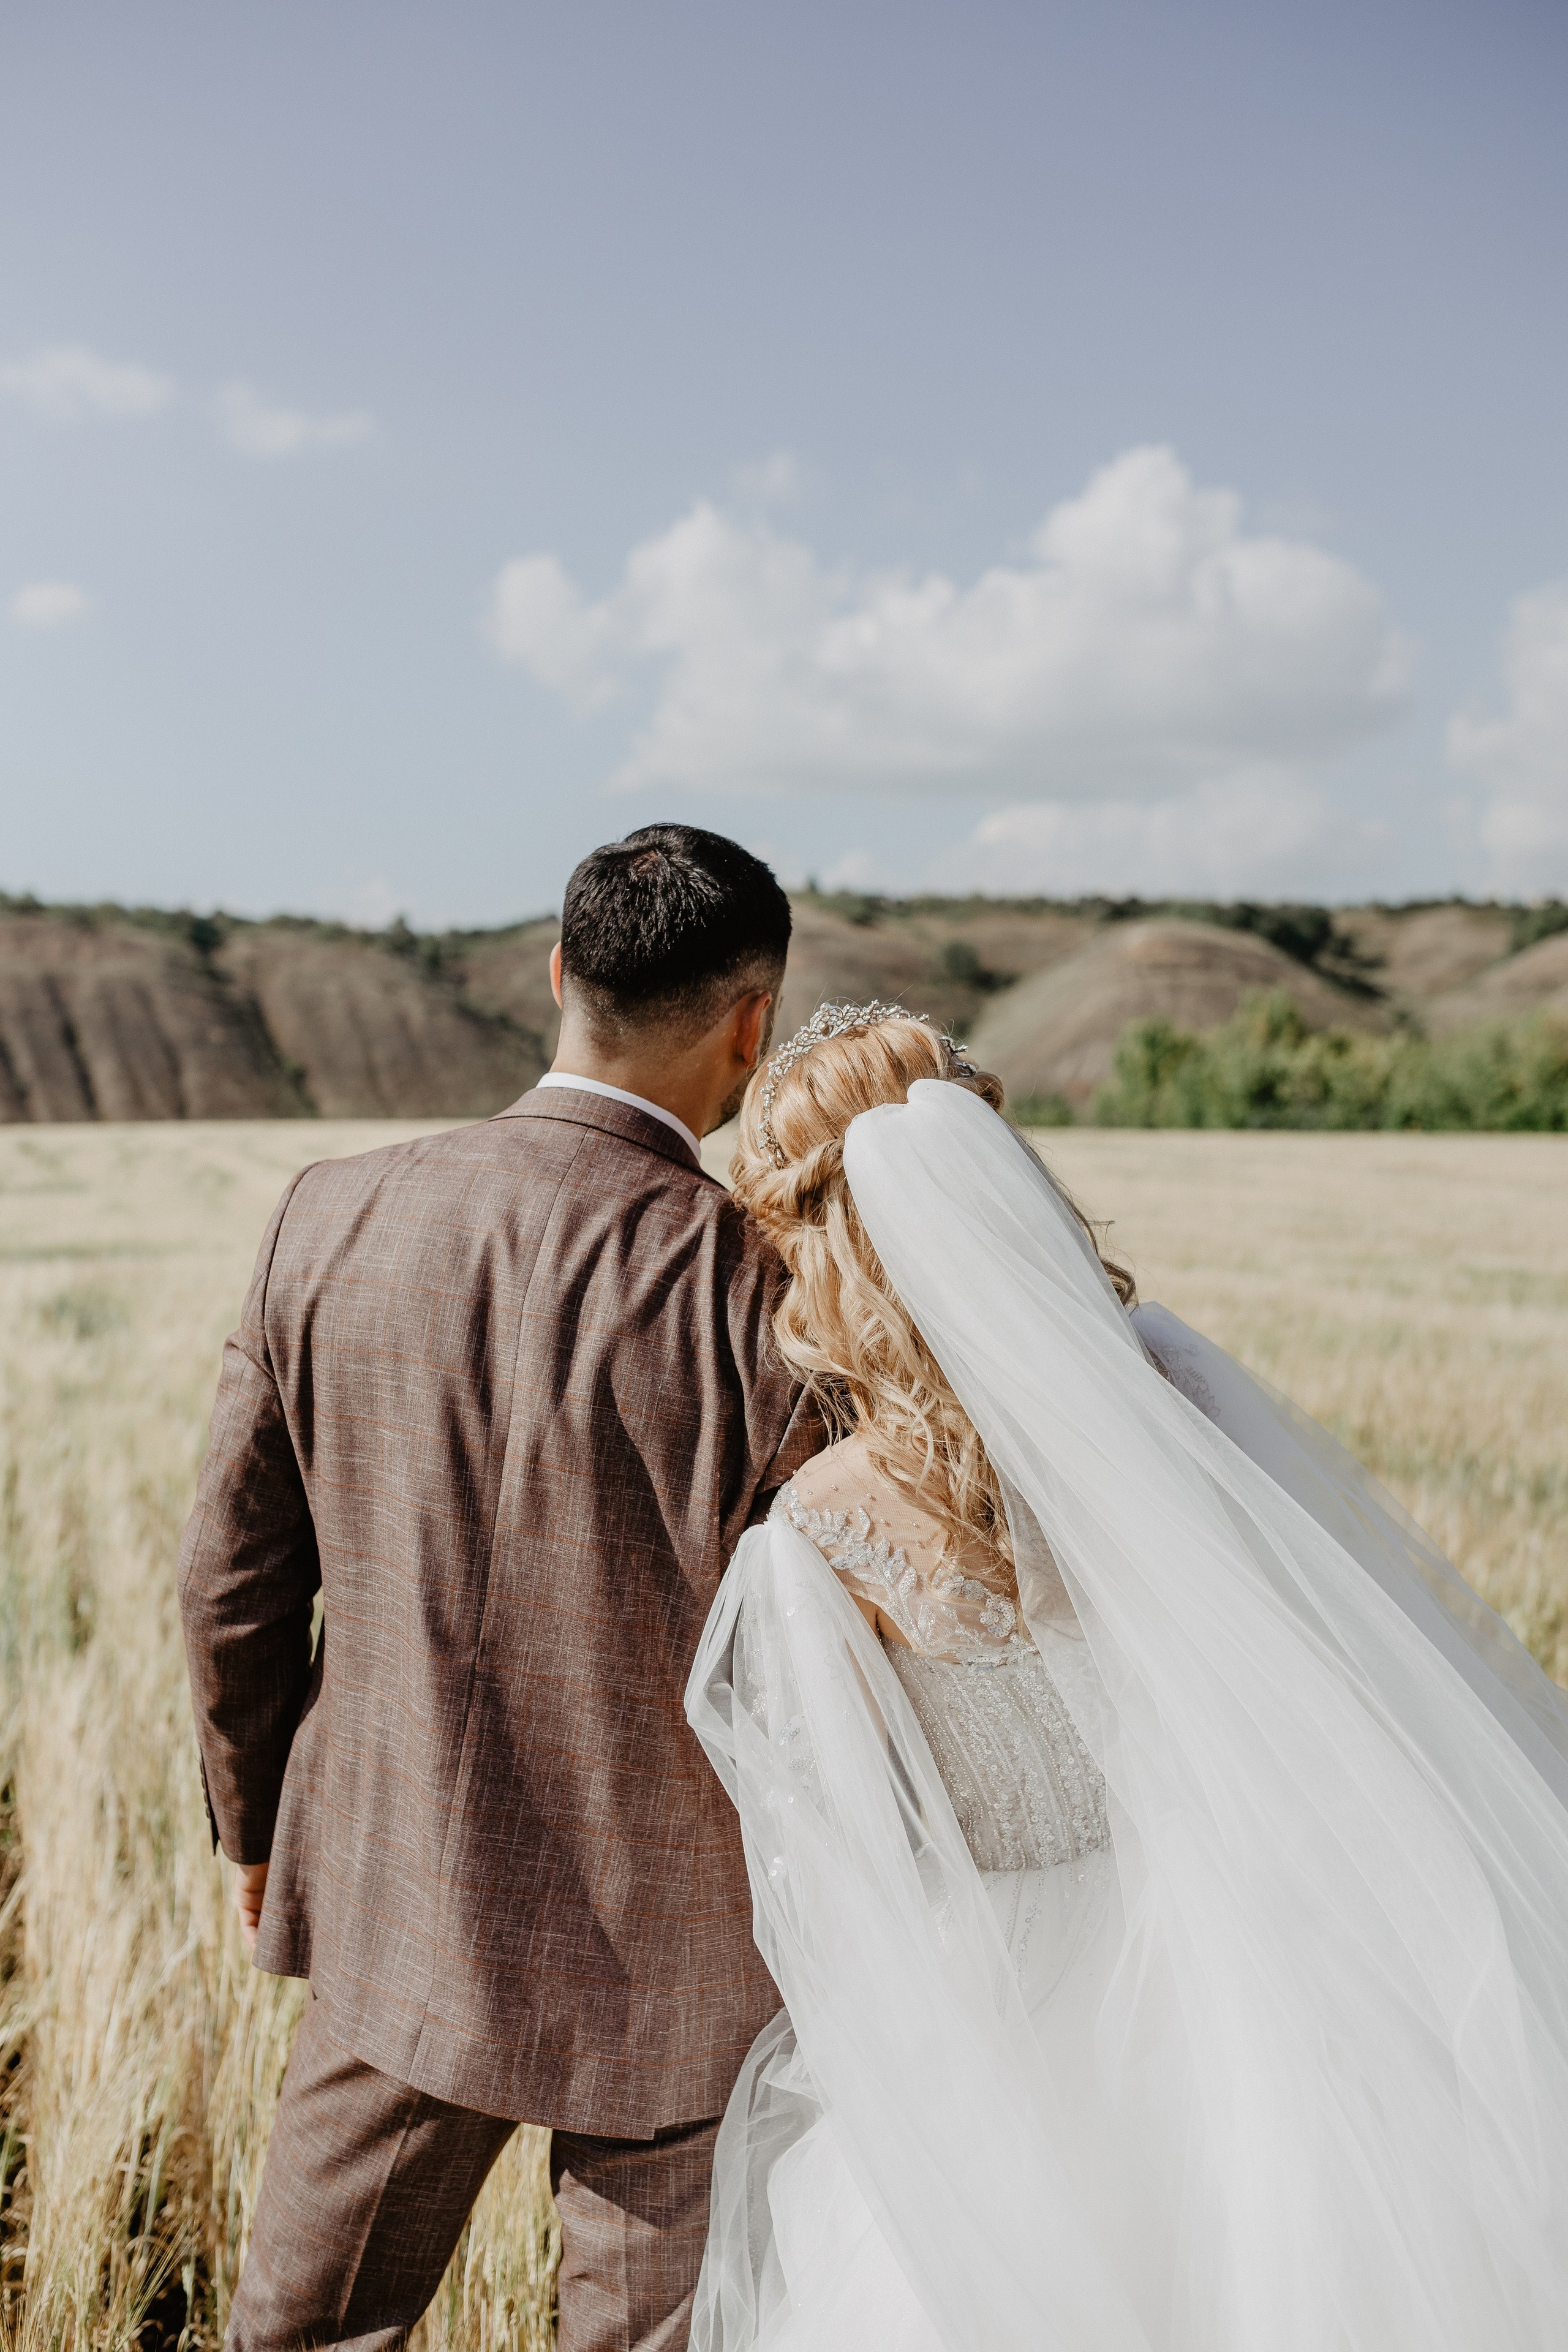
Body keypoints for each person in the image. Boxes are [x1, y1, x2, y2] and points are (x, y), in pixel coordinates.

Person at [685, 1003, 1568, 2352]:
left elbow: (845, 1885)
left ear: (815, 1243)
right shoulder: (1174, 1393)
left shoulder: (822, 1530)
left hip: (1015, 2031)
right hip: (1264, 1956)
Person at [178, 825, 823, 2352]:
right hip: (690, 1964)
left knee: (302, 2332)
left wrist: (257, 1817)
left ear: (555, 974)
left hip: (399, 1908)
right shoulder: (767, 1292)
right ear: (754, 1023)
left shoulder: (324, 1215)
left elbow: (232, 1579)